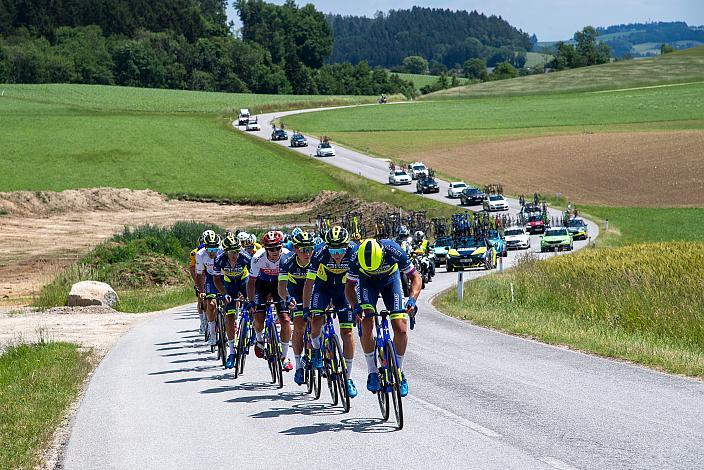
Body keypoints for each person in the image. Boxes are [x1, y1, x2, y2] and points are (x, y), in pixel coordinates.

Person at [345, 238, 421, 397]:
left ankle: (399, 371)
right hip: (367, 283)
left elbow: (416, 277)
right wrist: (355, 306)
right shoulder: (355, 257)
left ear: (383, 254)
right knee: (367, 321)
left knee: (400, 327)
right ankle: (372, 372)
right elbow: (349, 287)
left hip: (390, 280)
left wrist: (412, 299)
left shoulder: (394, 250)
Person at [302, 226, 359, 398]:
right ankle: (317, 348)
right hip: (323, 288)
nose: (336, 254)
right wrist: (306, 308)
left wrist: (359, 305)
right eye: (332, 249)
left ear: (347, 246)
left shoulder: (355, 253)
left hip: (344, 291)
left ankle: (348, 378)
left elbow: (362, 282)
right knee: (317, 319)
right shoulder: (320, 253)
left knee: (347, 333)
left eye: (340, 249)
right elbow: (309, 283)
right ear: (327, 247)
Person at [246, 231, 293, 372]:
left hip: (281, 284)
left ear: (281, 247)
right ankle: (259, 339)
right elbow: (251, 282)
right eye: (271, 249)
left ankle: (285, 357)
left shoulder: (287, 255)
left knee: (285, 320)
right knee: (259, 317)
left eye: (277, 248)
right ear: (265, 249)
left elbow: (291, 279)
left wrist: (291, 298)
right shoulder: (257, 258)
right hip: (262, 285)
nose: (274, 251)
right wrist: (250, 301)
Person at [277, 231, 316, 383]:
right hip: (295, 292)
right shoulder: (286, 261)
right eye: (303, 249)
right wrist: (287, 299)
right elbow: (281, 287)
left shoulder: (316, 260)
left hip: (313, 290)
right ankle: (299, 366)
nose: (308, 253)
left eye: (310, 249)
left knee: (320, 319)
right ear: (295, 249)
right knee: (299, 326)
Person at [213, 234, 252, 369]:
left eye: (237, 251)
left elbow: (254, 277)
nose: (235, 255)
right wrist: (224, 294)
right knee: (229, 317)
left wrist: (251, 297)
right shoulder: (219, 259)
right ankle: (231, 352)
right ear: (225, 252)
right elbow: (216, 279)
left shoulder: (245, 257)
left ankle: (251, 327)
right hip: (229, 283)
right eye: (231, 252)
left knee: (253, 304)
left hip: (244, 281)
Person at [195, 231, 222, 346]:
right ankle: (213, 334)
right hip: (210, 278)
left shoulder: (223, 251)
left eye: (214, 249)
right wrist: (201, 291)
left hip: (224, 277)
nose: (212, 253)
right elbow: (200, 274)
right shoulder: (200, 254)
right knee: (210, 305)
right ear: (205, 247)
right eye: (209, 250)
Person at [189, 232, 207, 334]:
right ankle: (202, 322)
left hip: (209, 274)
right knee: (200, 298)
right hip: (200, 274)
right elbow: (192, 268)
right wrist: (196, 282)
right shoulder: (194, 253)